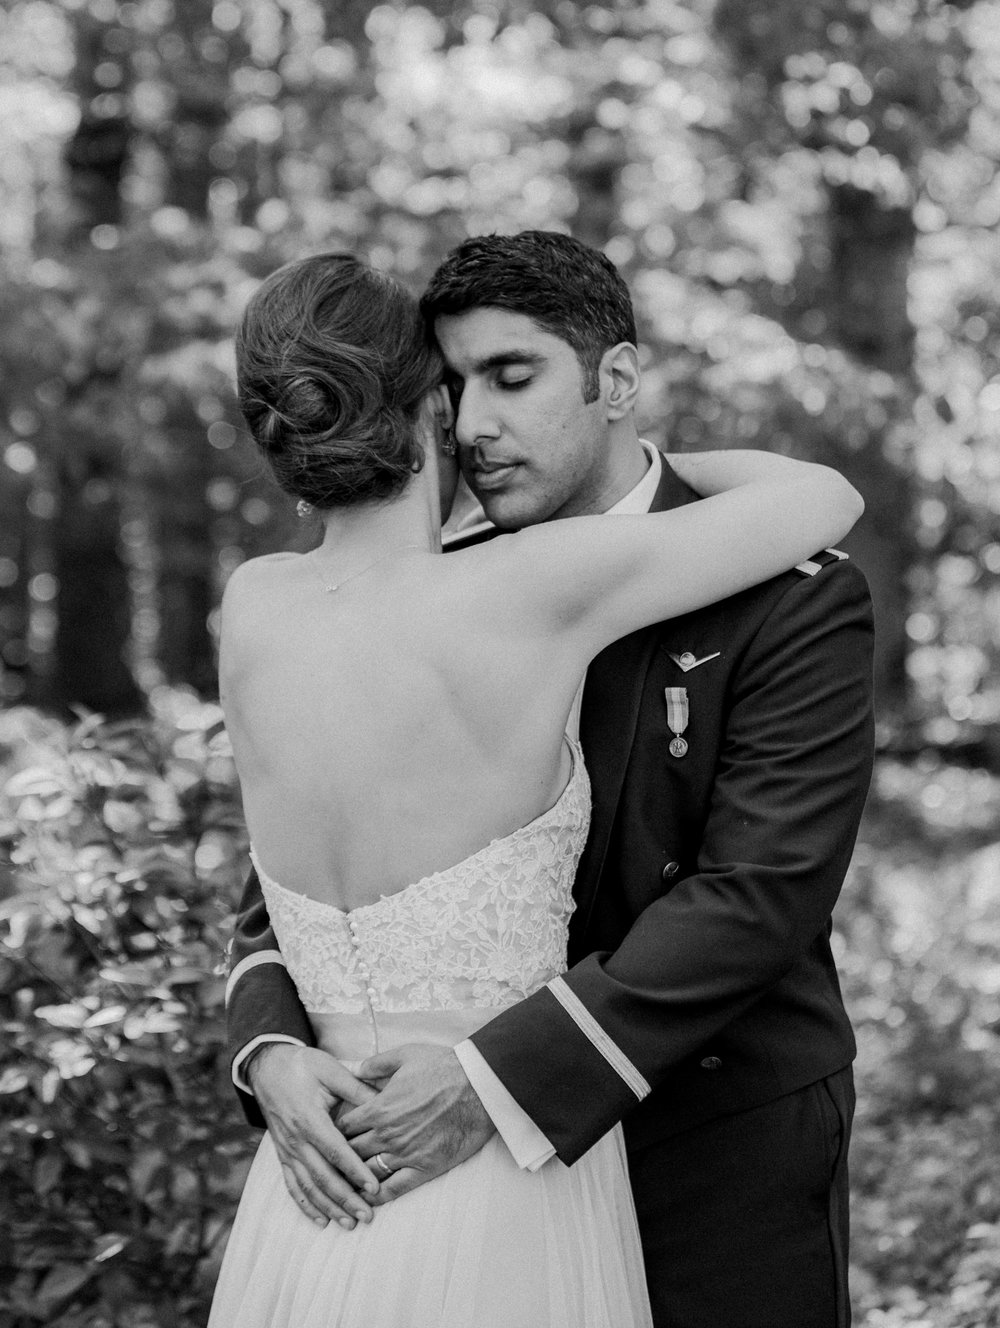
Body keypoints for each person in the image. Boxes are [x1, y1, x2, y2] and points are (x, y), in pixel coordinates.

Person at [219, 238, 872, 1328]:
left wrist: (495, 1078)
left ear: (615, 382)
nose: (472, 424)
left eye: (510, 378)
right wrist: (273, 1046)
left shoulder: (789, 598)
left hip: (707, 1144)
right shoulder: (430, 583)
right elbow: (283, 888)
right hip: (409, 1157)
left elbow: (756, 892)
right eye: (454, 383)